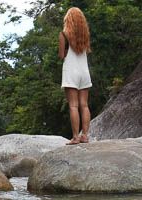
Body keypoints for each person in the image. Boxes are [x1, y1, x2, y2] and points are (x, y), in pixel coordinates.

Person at [58, 7, 92, 145]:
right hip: (84, 72)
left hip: (71, 71)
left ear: (68, 19)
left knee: (73, 106)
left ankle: (75, 137)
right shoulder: (84, 36)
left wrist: (64, 52)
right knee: (84, 105)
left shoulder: (64, 34)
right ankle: (85, 135)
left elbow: (61, 55)